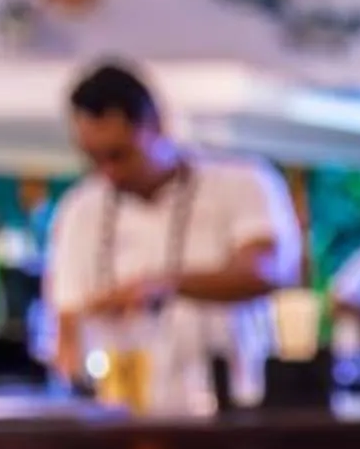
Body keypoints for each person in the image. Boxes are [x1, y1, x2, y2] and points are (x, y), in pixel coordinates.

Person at [41, 61, 299, 411]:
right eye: (94, 158)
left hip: (233, 412)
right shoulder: (80, 208)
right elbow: (67, 329)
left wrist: (162, 285)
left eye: (118, 154)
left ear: (157, 125)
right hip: (120, 418)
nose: (108, 172)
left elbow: (267, 270)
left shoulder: (242, 181)